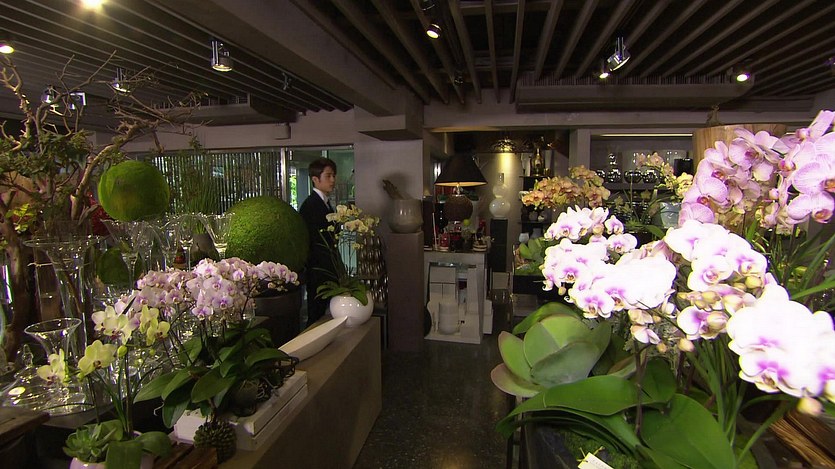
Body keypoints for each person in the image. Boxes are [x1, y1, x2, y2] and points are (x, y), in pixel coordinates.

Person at [299, 157, 338, 327]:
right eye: (328, 176)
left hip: (328, 267)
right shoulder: (310, 205)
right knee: (317, 315)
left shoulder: (326, 203)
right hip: (317, 269)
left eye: (333, 175)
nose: (332, 180)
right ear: (315, 179)